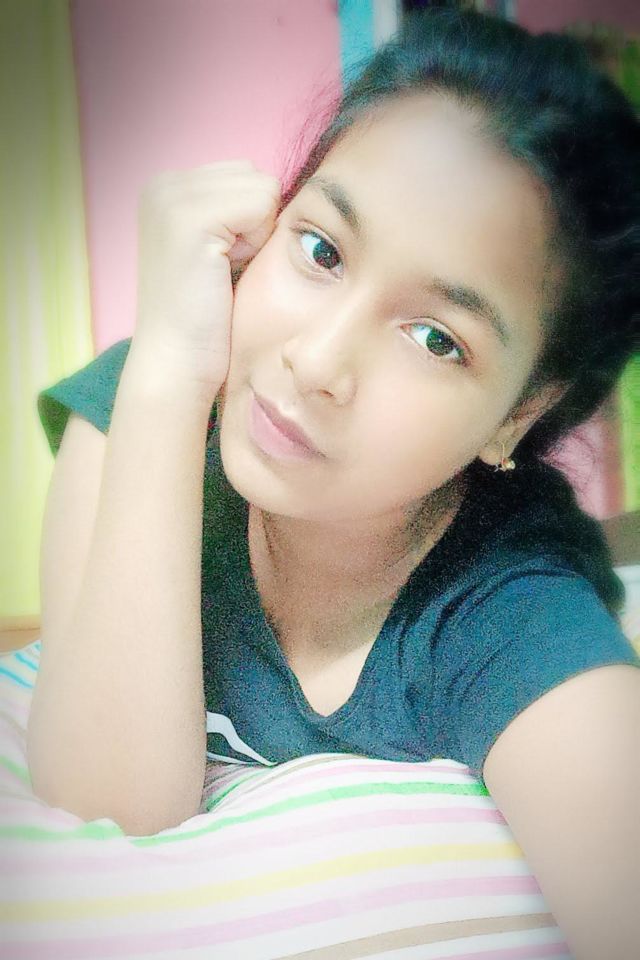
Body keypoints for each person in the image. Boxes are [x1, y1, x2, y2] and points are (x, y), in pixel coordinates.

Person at [28, 7, 639, 958]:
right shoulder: (142, 408)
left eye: (436, 338)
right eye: (321, 250)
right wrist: (164, 374)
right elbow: (110, 800)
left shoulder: (507, 607)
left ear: (518, 414)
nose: (317, 362)